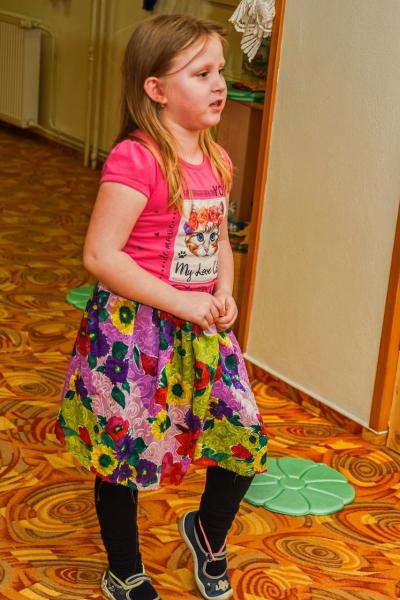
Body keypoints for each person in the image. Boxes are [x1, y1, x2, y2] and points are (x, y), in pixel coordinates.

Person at [55, 13, 268, 600]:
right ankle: (124, 568)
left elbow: (219, 241)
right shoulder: (137, 158)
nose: (220, 84)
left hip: (201, 327)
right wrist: (181, 301)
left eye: (220, 71)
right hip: (132, 331)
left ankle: (207, 533)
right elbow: (100, 255)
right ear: (156, 89)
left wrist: (224, 293)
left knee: (241, 436)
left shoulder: (219, 160)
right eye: (201, 74)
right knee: (121, 449)